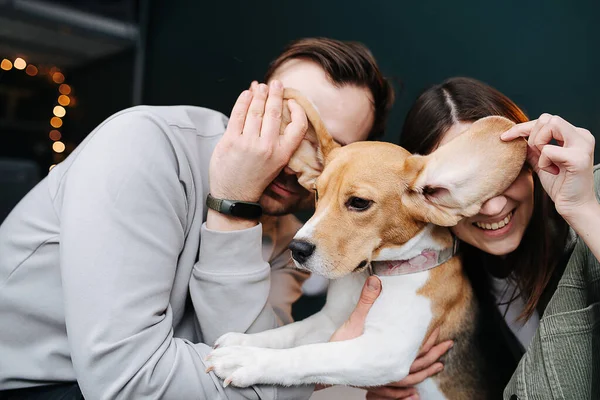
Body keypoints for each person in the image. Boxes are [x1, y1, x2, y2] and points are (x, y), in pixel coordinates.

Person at [0, 37, 394, 400]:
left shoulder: (290, 237)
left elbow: (253, 372)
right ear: (253, 107)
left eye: (329, 146)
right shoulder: (141, 148)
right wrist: (234, 202)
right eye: (288, 123)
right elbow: (126, 384)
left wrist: (233, 212)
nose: (294, 159)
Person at [364, 77, 600, 400]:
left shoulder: (591, 200)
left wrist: (583, 208)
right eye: (462, 185)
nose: (493, 206)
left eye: (504, 172)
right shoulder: (442, 294)